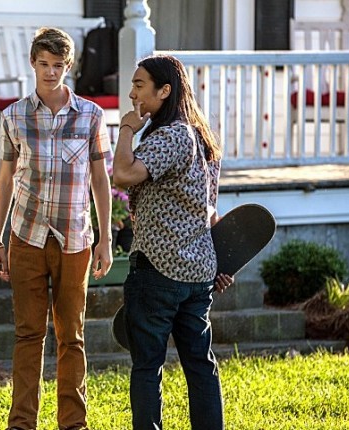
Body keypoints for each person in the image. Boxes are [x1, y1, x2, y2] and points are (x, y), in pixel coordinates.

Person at [0, 27, 113, 430]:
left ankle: (73, 423)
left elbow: (100, 180)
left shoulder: (91, 115)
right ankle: (21, 423)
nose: (50, 72)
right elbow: (5, 180)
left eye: (58, 65)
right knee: (28, 334)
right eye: (43, 64)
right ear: (33, 63)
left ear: (68, 66)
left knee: (71, 335)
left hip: (75, 239)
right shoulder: (13, 116)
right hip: (26, 236)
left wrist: (105, 238)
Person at [112, 54, 234, 430]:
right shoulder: (202, 138)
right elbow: (209, 209)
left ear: (164, 90)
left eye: (139, 85)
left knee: (147, 366)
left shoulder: (172, 136)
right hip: (198, 273)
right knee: (200, 365)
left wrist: (126, 129)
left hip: (158, 271)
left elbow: (123, 174)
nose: (132, 94)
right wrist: (218, 262)